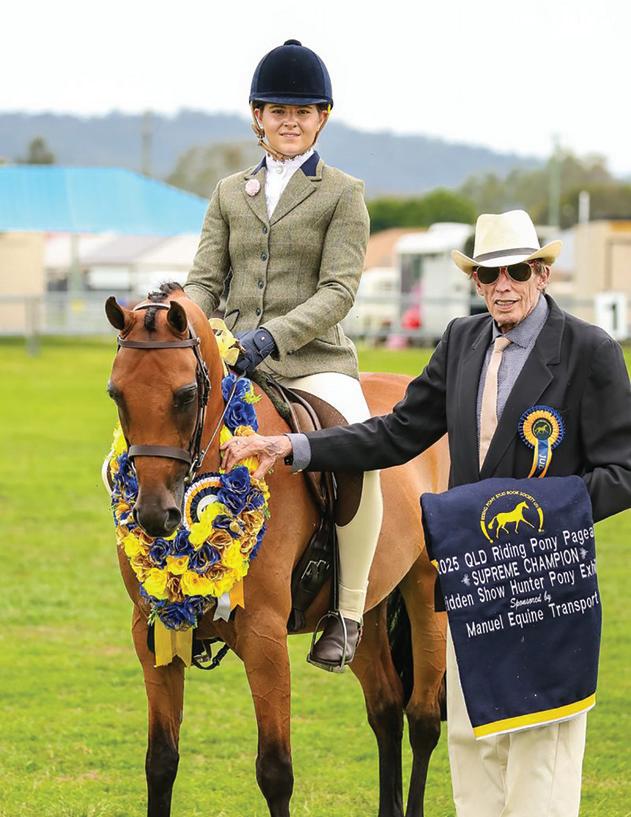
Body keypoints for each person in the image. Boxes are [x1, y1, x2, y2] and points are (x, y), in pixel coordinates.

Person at [221, 209, 631, 817]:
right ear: (476, 282)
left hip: (547, 582)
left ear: (543, 274)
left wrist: (535, 515)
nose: (503, 286)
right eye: (488, 274)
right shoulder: (462, 341)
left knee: (539, 759)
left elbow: (623, 471)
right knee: (473, 749)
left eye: (517, 271)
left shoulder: (589, 351)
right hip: (471, 583)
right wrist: (292, 447)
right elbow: (395, 434)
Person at [184, 39, 383, 671]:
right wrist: (185, 327)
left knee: (361, 457)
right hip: (234, 360)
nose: (289, 121)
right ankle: (191, 593)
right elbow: (204, 281)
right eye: (278, 111)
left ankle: (348, 610)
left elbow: (339, 291)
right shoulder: (228, 191)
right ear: (257, 116)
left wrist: (273, 337)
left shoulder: (343, 193)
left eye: (302, 111)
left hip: (315, 362)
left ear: (322, 117)